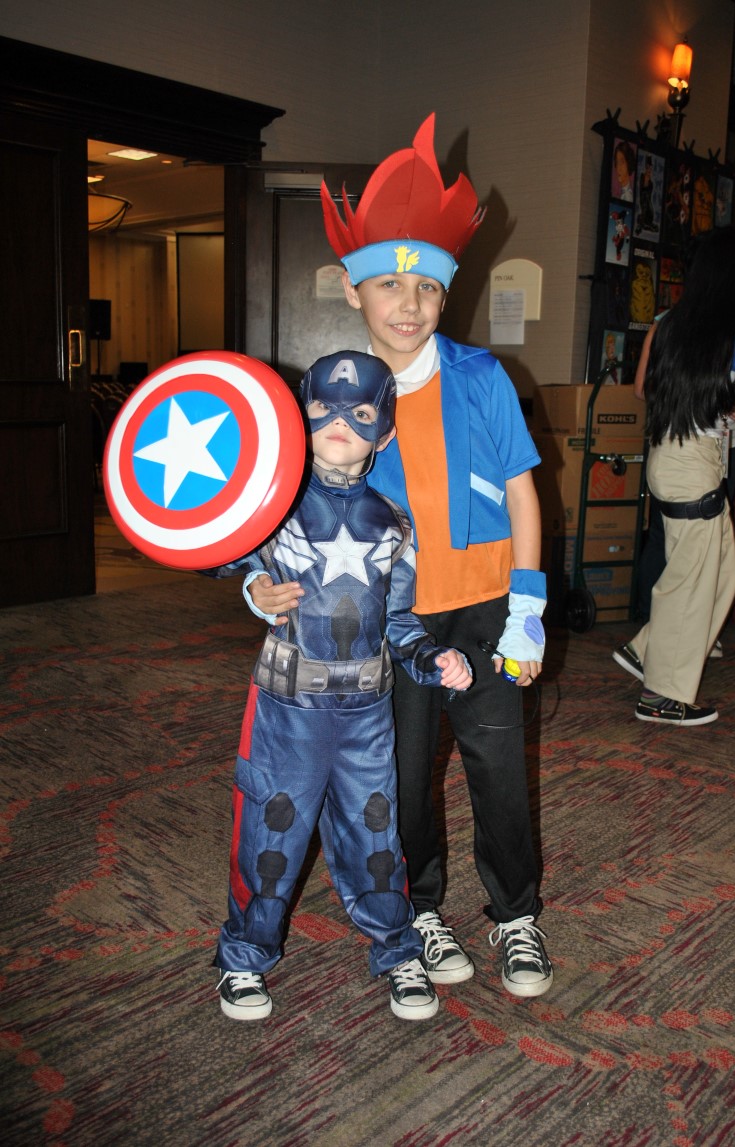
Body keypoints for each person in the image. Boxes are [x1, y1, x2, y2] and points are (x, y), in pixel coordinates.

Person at [249, 115, 553, 1000]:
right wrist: (261, 587)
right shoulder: (334, 398)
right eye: (388, 282)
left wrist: (529, 608)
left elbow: (524, 495)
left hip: (488, 606)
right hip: (394, 619)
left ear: (447, 293)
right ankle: (418, 907)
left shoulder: (484, 379)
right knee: (402, 776)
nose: (409, 303)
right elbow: (287, 514)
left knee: (499, 767)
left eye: (426, 285)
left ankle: (516, 913)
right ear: (353, 290)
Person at [212, 350, 473, 1022]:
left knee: (377, 835)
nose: (338, 421)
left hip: (366, 711)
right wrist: (255, 587)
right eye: (322, 407)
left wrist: (433, 659)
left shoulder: (393, 523)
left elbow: (401, 622)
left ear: (384, 433)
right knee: (272, 831)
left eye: (359, 412)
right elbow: (218, 544)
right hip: (287, 707)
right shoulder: (274, 504)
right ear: (298, 417)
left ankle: (397, 948)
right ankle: (244, 955)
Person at [612, 226, 735, 725]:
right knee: (690, 580)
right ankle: (662, 695)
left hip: (669, 456)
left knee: (725, 572)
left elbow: (650, 389)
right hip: (695, 464)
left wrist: (734, 403)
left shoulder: (674, 324)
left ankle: (645, 649)